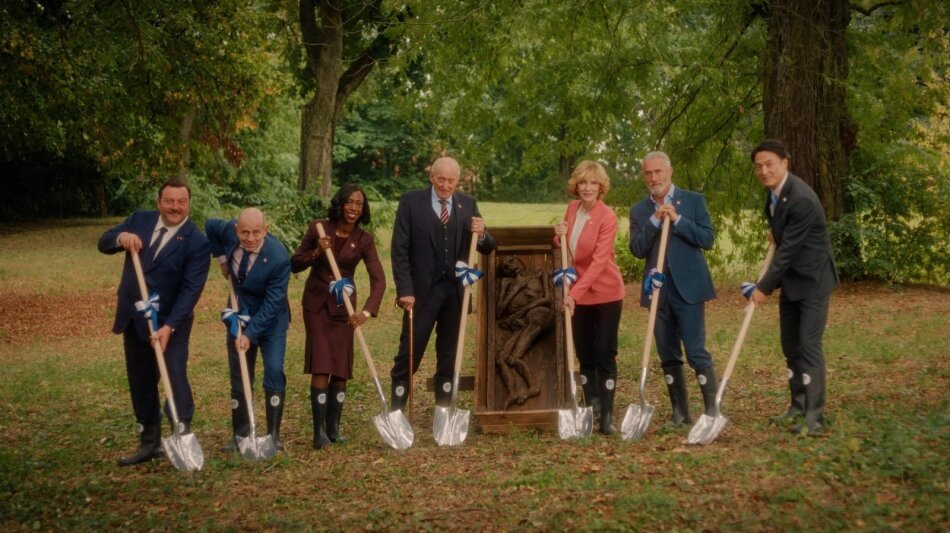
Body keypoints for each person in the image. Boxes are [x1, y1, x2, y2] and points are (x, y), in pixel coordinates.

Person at [98, 180, 211, 466]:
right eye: (169, 201)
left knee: (174, 374)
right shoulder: (140, 220)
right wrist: (122, 237)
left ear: (189, 203)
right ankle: (149, 443)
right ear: (159, 202)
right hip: (135, 317)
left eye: (181, 202)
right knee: (141, 380)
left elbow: (190, 291)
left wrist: (168, 327)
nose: (175, 207)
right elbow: (104, 242)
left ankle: (181, 431)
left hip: (172, 322)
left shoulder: (197, 242)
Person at [390, 156, 496, 411]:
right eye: (441, 179)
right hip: (421, 294)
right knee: (410, 352)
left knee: (450, 355)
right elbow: (399, 250)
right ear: (432, 177)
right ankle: (396, 410)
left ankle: (444, 410)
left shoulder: (467, 204)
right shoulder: (411, 202)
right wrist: (405, 290)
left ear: (457, 181)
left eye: (451, 180)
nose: (445, 185)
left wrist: (482, 233)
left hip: (455, 294)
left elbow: (488, 246)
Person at [748, 139, 838, 435]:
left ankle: (814, 417)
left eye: (769, 164)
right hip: (792, 281)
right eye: (758, 166)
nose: (764, 171)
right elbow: (782, 238)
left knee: (808, 346)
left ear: (785, 163)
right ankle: (797, 406)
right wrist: (777, 232)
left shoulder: (801, 198)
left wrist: (763, 287)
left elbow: (787, 252)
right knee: (790, 345)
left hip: (812, 280)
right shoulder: (774, 194)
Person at [628, 151, 718, 428]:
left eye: (658, 171)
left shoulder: (693, 201)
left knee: (696, 351)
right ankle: (680, 412)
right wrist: (655, 220)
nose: (653, 177)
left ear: (670, 171)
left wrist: (677, 220)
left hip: (688, 288)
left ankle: (712, 411)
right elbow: (637, 249)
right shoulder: (639, 211)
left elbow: (707, 239)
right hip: (657, 290)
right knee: (667, 354)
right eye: (648, 173)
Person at [292, 184, 385, 449]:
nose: (354, 208)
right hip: (317, 306)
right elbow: (294, 263)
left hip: (345, 308)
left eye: (359, 204)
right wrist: (317, 252)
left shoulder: (364, 239)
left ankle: (333, 429)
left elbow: (379, 280)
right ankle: (318, 432)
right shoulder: (319, 228)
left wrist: (366, 311)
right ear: (340, 203)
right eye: (349, 202)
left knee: (341, 368)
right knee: (322, 364)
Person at [206, 208, 291, 450]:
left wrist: (251, 334)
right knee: (239, 374)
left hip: (271, 320)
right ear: (236, 230)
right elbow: (210, 225)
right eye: (244, 232)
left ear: (266, 230)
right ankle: (241, 436)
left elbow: (273, 303)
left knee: (274, 369)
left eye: (256, 232)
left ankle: (272, 436)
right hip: (239, 313)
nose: (250, 238)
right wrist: (222, 259)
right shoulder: (228, 231)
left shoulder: (279, 258)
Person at [553, 160, 625, 435]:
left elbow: (598, 262)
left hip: (605, 294)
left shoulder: (607, 216)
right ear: (576, 185)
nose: (587, 188)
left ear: (601, 187)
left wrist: (573, 294)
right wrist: (558, 237)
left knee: (604, 352)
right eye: (583, 182)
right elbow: (566, 246)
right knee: (584, 353)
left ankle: (606, 415)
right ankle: (590, 408)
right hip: (578, 294)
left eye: (593, 183)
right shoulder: (572, 209)